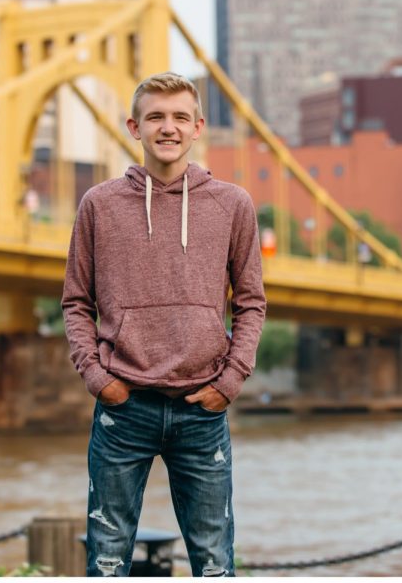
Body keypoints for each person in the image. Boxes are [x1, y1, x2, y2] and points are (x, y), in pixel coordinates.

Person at [62, 72, 265, 579]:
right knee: (107, 560)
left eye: (179, 117)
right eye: (155, 116)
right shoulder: (99, 205)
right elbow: (75, 301)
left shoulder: (232, 204)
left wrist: (231, 380)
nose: (167, 128)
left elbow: (251, 302)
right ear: (134, 127)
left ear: (198, 128)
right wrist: (96, 377)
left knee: (215, 563)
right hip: (123, 408)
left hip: (202, 410)